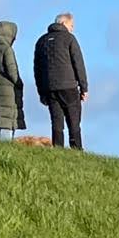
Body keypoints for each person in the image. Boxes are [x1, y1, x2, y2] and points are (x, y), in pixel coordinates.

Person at [33, 12, 89, 150]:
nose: (72, 28)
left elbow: (37, 69)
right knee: (74, 120)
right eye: (71, 25)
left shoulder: (41, 41)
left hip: (50, 87)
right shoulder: (69, 39)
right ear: (63, 24)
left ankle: (58, 149)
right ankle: (76, 149)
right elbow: (78, 64)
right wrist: (84, 88)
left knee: (56, 121)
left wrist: (41, 92)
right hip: (68, 86)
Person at [0, 21, 26, 141]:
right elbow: (12, 71)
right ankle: (4, 149)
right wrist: (19, 83)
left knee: (0, 117)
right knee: (6, 120)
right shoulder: (7, 50)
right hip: (8, 92)